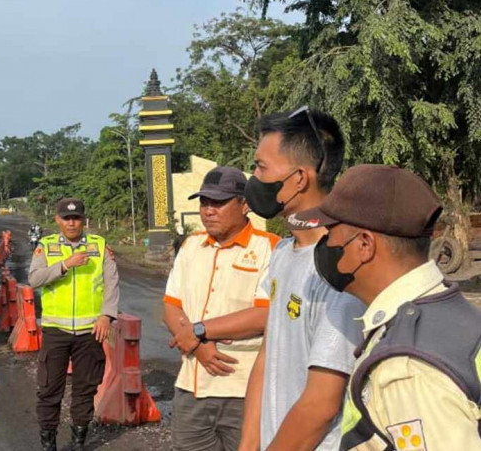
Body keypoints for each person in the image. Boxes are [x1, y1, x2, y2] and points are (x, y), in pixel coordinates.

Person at [293, 164, 481, 451]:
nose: (325, 244)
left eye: (330, 232)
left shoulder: (406, 370)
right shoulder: (450, 310)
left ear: (364, 245)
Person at [239, 107, 366, 451]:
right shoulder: (283, 252)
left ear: (299, 178)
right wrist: (249, 442)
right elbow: (268, 352)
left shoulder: (340, 268)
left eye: (261, 167)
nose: (253, 177)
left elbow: (322, 406)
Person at [163, 166, 279, 451]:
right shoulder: (191, 246)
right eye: (204, 203)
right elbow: (171, 304)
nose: (208, 211)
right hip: (192, 386)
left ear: (245, 204)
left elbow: (264, 315)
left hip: (245, 390)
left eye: (219, 202)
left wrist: (198, 331)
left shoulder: (271, 249)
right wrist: (197, 345)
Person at [28, 198, 119, 451]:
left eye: (76, 218)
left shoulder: (99, 246)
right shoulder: (45, 246)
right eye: (66, 218)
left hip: (90, 331)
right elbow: (34, 279)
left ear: (84, 220)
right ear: (57, 219)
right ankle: (49, 444)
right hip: (56, 331)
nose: (71, 222)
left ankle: (79, 442)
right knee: (49, 390)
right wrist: (65, 265)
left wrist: (106, 316)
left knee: (85, 389)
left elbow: (112, 284)